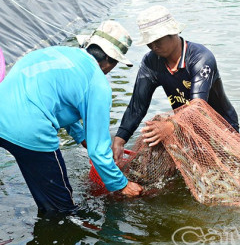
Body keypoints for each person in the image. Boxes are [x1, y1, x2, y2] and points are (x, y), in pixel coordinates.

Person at [0, 21, 143, 214]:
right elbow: (98, 152)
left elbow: (59, 103)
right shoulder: (97, 82)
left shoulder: (59, 53)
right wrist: (122, 185)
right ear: (111, 61)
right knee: (62, 209)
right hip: (30, 130)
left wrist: (82, 137)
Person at [112, 5, 239, 161]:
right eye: (149, 42)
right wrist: (120, 138)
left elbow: (198, 107)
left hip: (221, 127)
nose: (153, 46)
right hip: (185, 128)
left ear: (173, 33)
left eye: (157, 40)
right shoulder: (151, 62)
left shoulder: (201, 58)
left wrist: (170, 126)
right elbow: (137, 106)